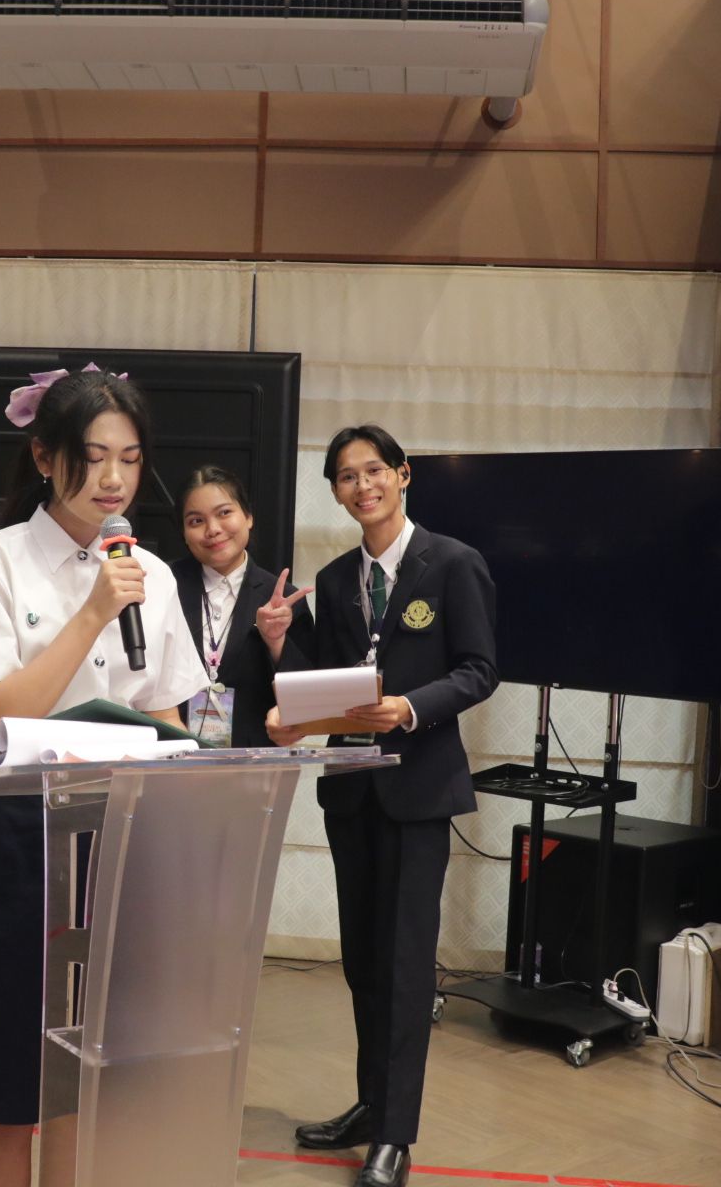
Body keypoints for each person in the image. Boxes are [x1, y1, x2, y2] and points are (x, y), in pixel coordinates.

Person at [0, 367, 206, 1187]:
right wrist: (92, 611)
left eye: (130, 458)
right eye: (92, 458)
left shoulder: (154, 575)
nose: (113, 479)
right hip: (21, 836)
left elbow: (168, 718)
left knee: (88, 1083)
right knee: (9, 1086)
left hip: (125, 838)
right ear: (45, 457)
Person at [267, 423, 499, 1187]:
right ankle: (373, 1105)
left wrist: (408, 707)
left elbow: (479, 670)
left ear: (403, 475)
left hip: (419, 791)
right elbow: (319, 682)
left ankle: (396, 1136)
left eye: (374, 470)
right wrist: (279, 644)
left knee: (403, 968)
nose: (361, 486)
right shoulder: (336, 580)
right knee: (364, 962)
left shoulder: (453, 562)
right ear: (335, 492)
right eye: (346, 476)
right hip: (351, 791)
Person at [171, 465, 315, 749]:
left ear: (248, 517)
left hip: (256, 758)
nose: (213, 529)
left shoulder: (283, 598)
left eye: (224, 513)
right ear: (184, 533)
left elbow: (305, 697)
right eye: (196, 521)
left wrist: (275, 642)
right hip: (173, 754)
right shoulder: (163, 585)